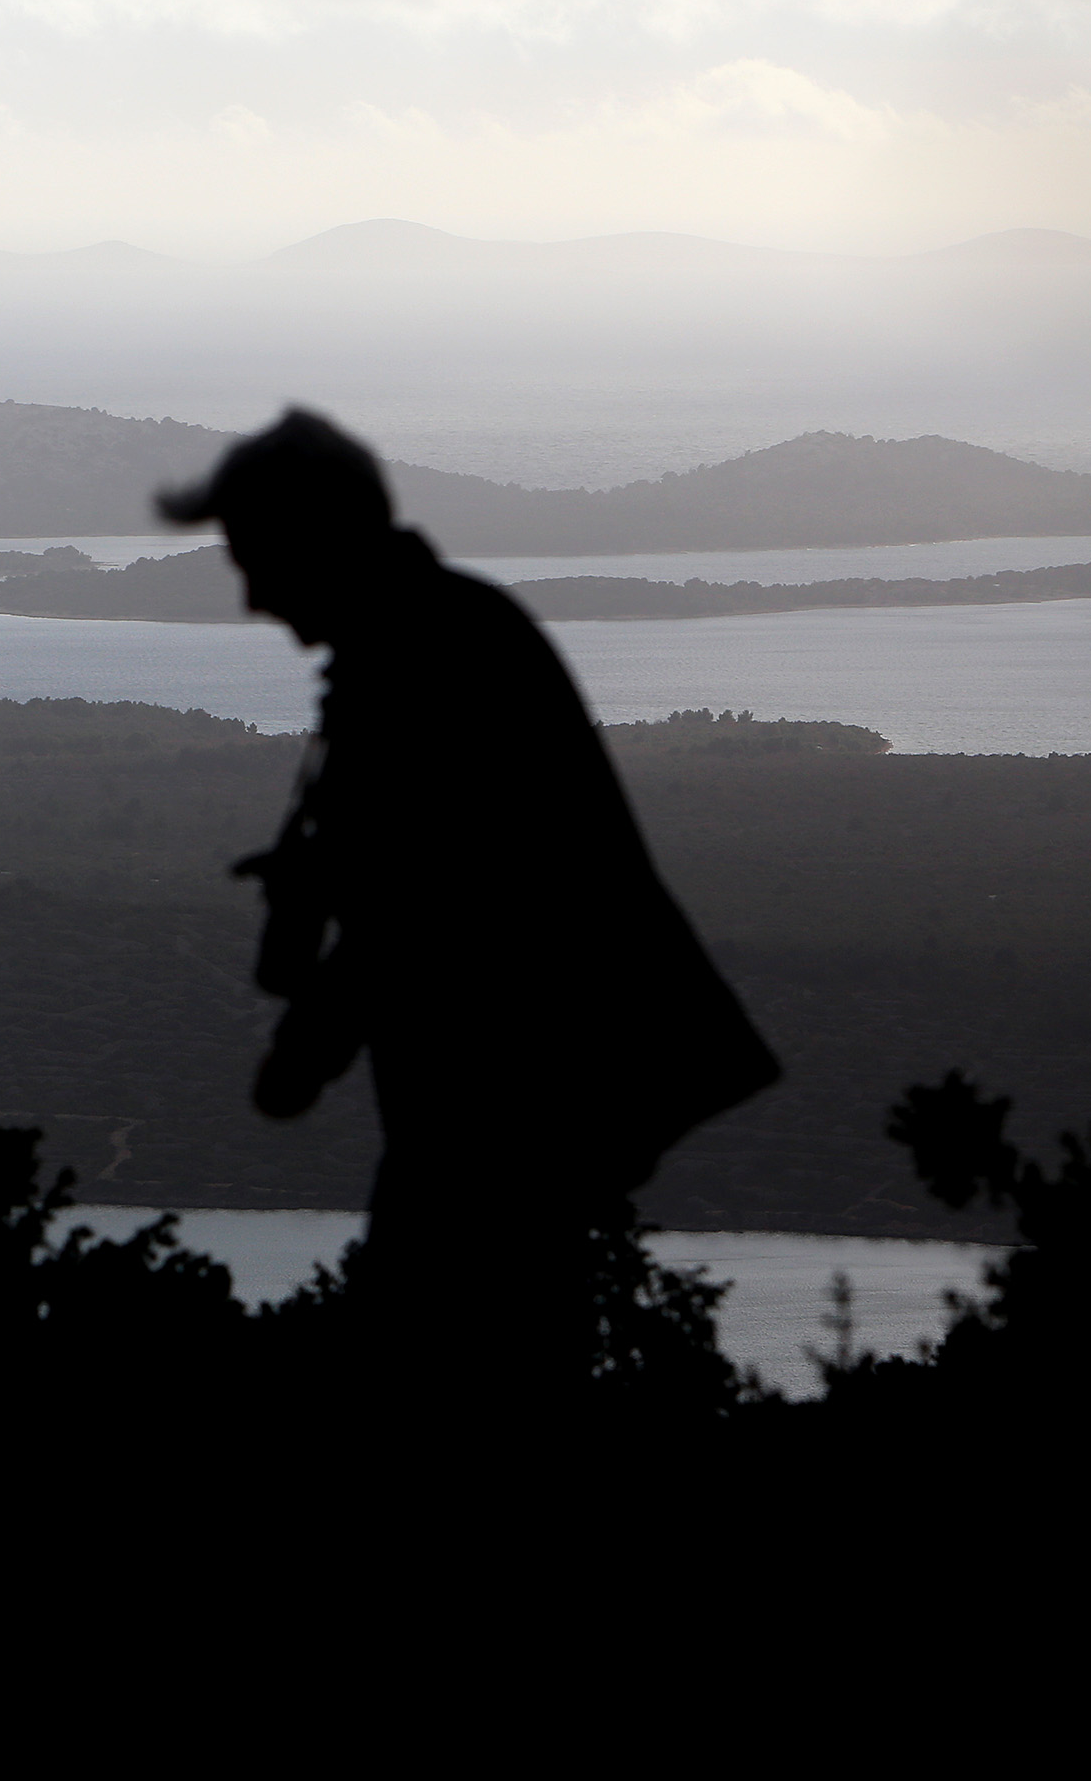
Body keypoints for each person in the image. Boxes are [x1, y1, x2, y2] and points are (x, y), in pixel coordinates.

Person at [159, 408, 779, 1388]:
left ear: (314, 536)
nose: (250, 596)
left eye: (254, 556)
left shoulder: (423, 657)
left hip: (507, 1116)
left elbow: (428, 909)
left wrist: (304, 1049)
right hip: (511, 1112)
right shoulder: (424, 637)